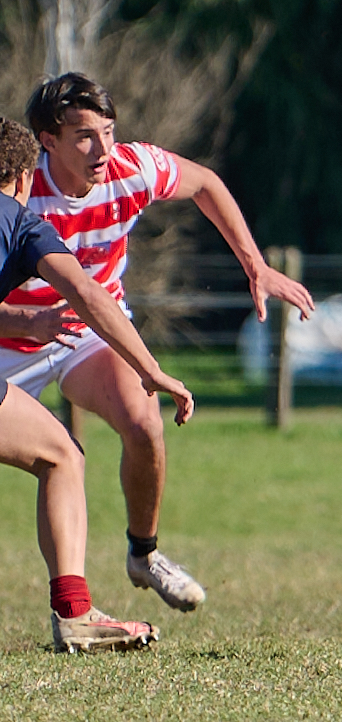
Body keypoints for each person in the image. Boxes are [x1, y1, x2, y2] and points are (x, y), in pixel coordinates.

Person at [0, 73, 316, 613]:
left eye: (108, 131)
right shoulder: (17, 191)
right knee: (59, 457)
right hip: (11, 337)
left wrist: (254, 265)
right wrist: (24, 321)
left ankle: (143, 554)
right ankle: (74, 608)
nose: (102, 149)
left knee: (144, 422)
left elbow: (206, 184)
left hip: (90, 333)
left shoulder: (132, 167)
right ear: (47, 141)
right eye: (83, 136)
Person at [0, 116, 195, 652]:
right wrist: (150, 370)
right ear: (22, 177)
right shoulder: (22, 222)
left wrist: (21, 324)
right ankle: (75, 614)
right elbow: (88, 293)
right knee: (62, 457)